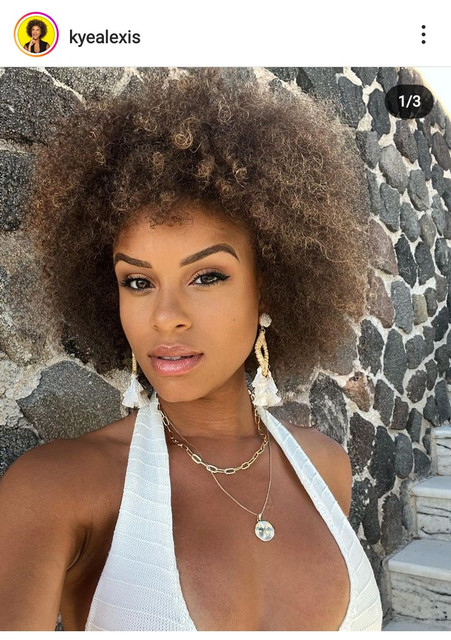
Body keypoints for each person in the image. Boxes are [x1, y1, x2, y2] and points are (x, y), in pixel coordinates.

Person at [0, 68, 382, 631]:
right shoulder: (58, 488)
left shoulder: (326, 468)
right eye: (138, 281)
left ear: (268, 289)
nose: (165, 316)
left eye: (206, 276)